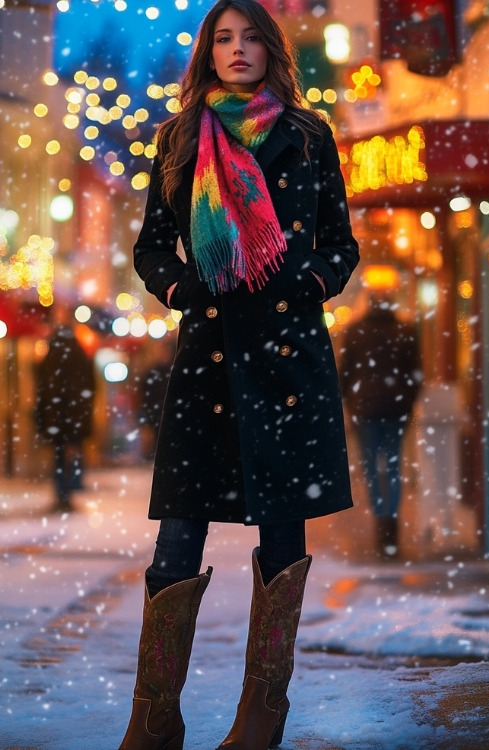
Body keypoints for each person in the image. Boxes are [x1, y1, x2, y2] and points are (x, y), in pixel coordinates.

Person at [117, 1, 359, 748]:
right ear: (208, 55)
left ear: (271, 48)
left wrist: (310, 284)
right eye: (223, 37)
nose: (238, 48)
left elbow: (339, 245)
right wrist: (182, 289)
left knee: (283, 536)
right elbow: (153, 246)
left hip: (288, 356)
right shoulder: (180, 138)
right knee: (178, 535)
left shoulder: (309, 136)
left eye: (251, 35)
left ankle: (263, 714)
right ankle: (155, 717)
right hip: (209, 358)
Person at [340, 290, 422, 559]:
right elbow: (415, 373)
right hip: (395, 408)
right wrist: (407, 402)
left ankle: (380, 525)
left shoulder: (355, 331)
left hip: (365, 408)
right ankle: (391, 526)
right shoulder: (405, 330)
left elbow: (345, 372)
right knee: (394, 464)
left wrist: (350, 402)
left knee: (372, 467)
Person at [35, 306, 96, 513]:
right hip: (69, 414)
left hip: (59, 414)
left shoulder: (55, 347)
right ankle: (69, 489)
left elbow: (46, 383)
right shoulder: (76, 347)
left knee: (61, 455)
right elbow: (86, 382)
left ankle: (64, 492)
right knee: (71, 452)